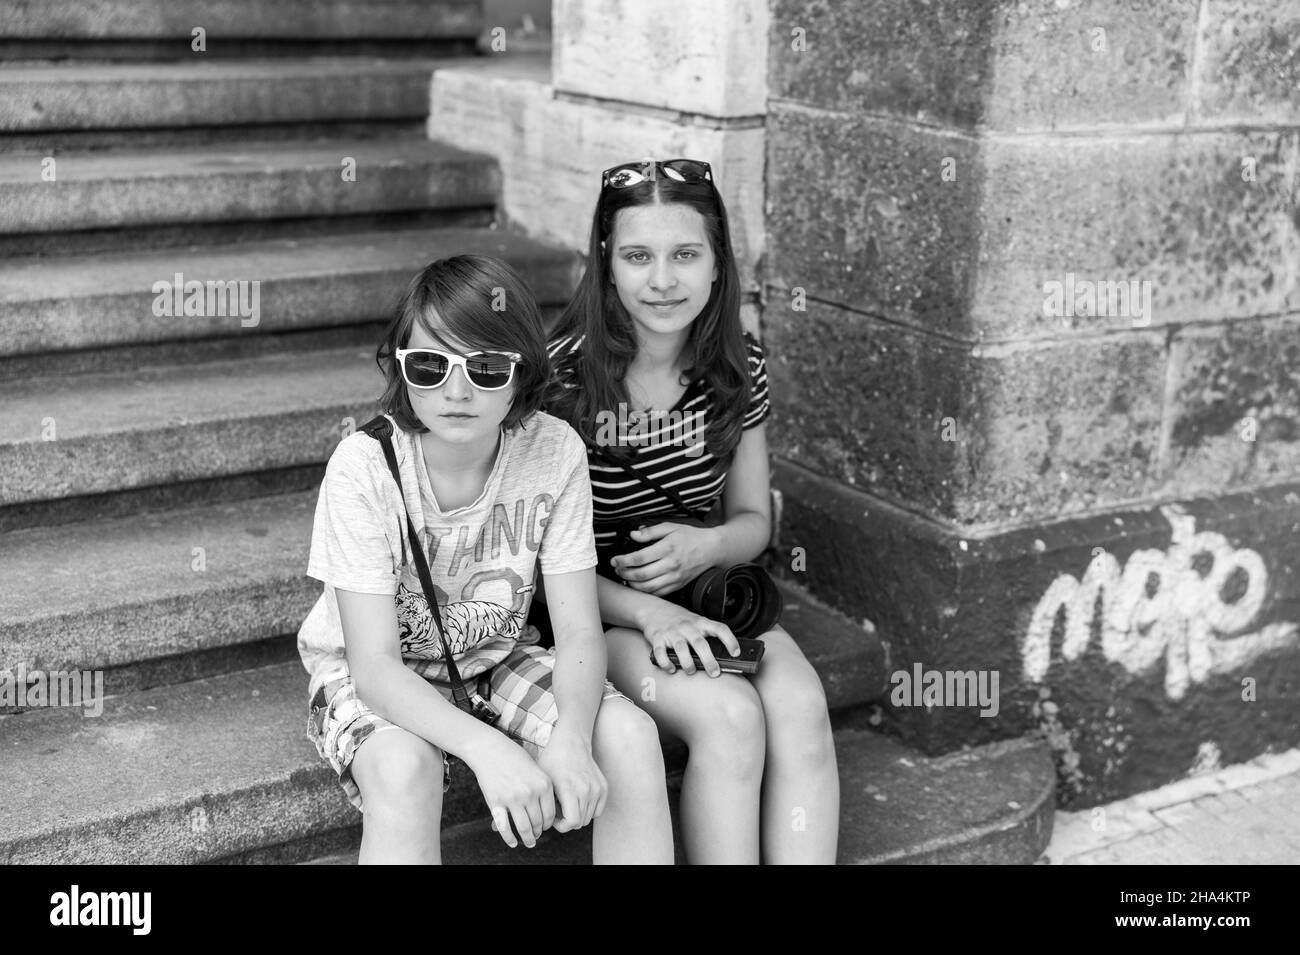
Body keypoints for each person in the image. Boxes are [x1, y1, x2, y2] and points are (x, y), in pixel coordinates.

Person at [297, 254, 673, 864]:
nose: (456, 391)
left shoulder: (554, 451)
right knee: (403, 770)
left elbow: (578, 628)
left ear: (522, 374)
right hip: (376, 669)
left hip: (496, 655)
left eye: (487, 367)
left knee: (627, 737)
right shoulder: (364, 468)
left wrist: (572, 740)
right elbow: (374, 667)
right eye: (429, 365)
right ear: (401, 367)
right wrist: (491, 751)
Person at [543, 159, 840, 864]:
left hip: (709, 591)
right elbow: (534, 565)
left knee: (800, 707)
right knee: (731, 716)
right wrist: (651, 612)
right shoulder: (558, 382)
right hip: (591, 608)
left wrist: (705, 549)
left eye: (685, 254)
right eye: (640, 256)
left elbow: (751, 521)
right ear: (608, 262)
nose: (663, 280)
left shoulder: (739, 367)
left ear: (717, 264)